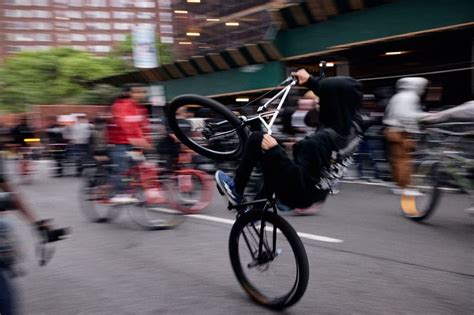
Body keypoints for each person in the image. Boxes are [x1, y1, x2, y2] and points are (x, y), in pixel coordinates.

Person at [215, 69, 362, 209]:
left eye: (323, 99)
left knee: (256, 138)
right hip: (319, 192)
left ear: (332, 103)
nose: (318, 102)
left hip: (296, 194)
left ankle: (236, 189)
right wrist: (310, 81)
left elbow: (298, 181)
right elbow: (345, 94)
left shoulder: (317, 142)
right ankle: (255, 211)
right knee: (275, 161)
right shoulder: (356, 125)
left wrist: (275, 152)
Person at [383, 77, 429, 196]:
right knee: (404, 161)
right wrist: (419, 126)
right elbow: (407, 116)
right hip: (400, 131)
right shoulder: (410, 97)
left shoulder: (397, 96)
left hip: (391, 130)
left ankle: (398, 184)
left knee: (396, 160)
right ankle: (406, 186)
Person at [107, 84, 152, 204]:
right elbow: (124, 123)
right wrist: (134, 139)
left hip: (135, 144)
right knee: (122, 167)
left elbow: (144, 126)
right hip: (120, 143)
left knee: (139, 167)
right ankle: (119, 193)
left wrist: (147, 140)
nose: (141, 94)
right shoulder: (120, 105)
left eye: (142, 92)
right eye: (137, 92)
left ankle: (134, 190)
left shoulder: (141, 108)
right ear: (129, 93)